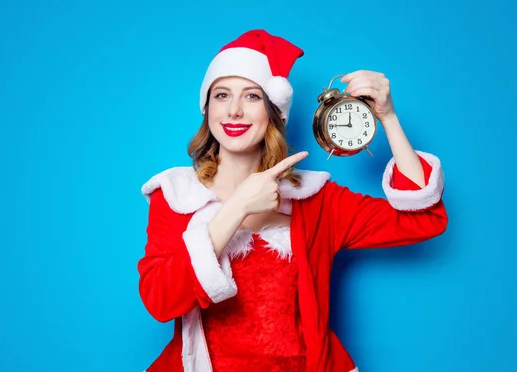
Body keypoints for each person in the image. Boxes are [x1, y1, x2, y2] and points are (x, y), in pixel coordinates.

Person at [137, 29, 448, 372]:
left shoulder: (315, 201)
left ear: (274, 112)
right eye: (222, 95)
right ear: (207, 108)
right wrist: (238, 206)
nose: (235, 110)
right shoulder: (178, 196)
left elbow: (422, 218)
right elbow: (160, 300)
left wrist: (387, 118)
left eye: (252, 97)